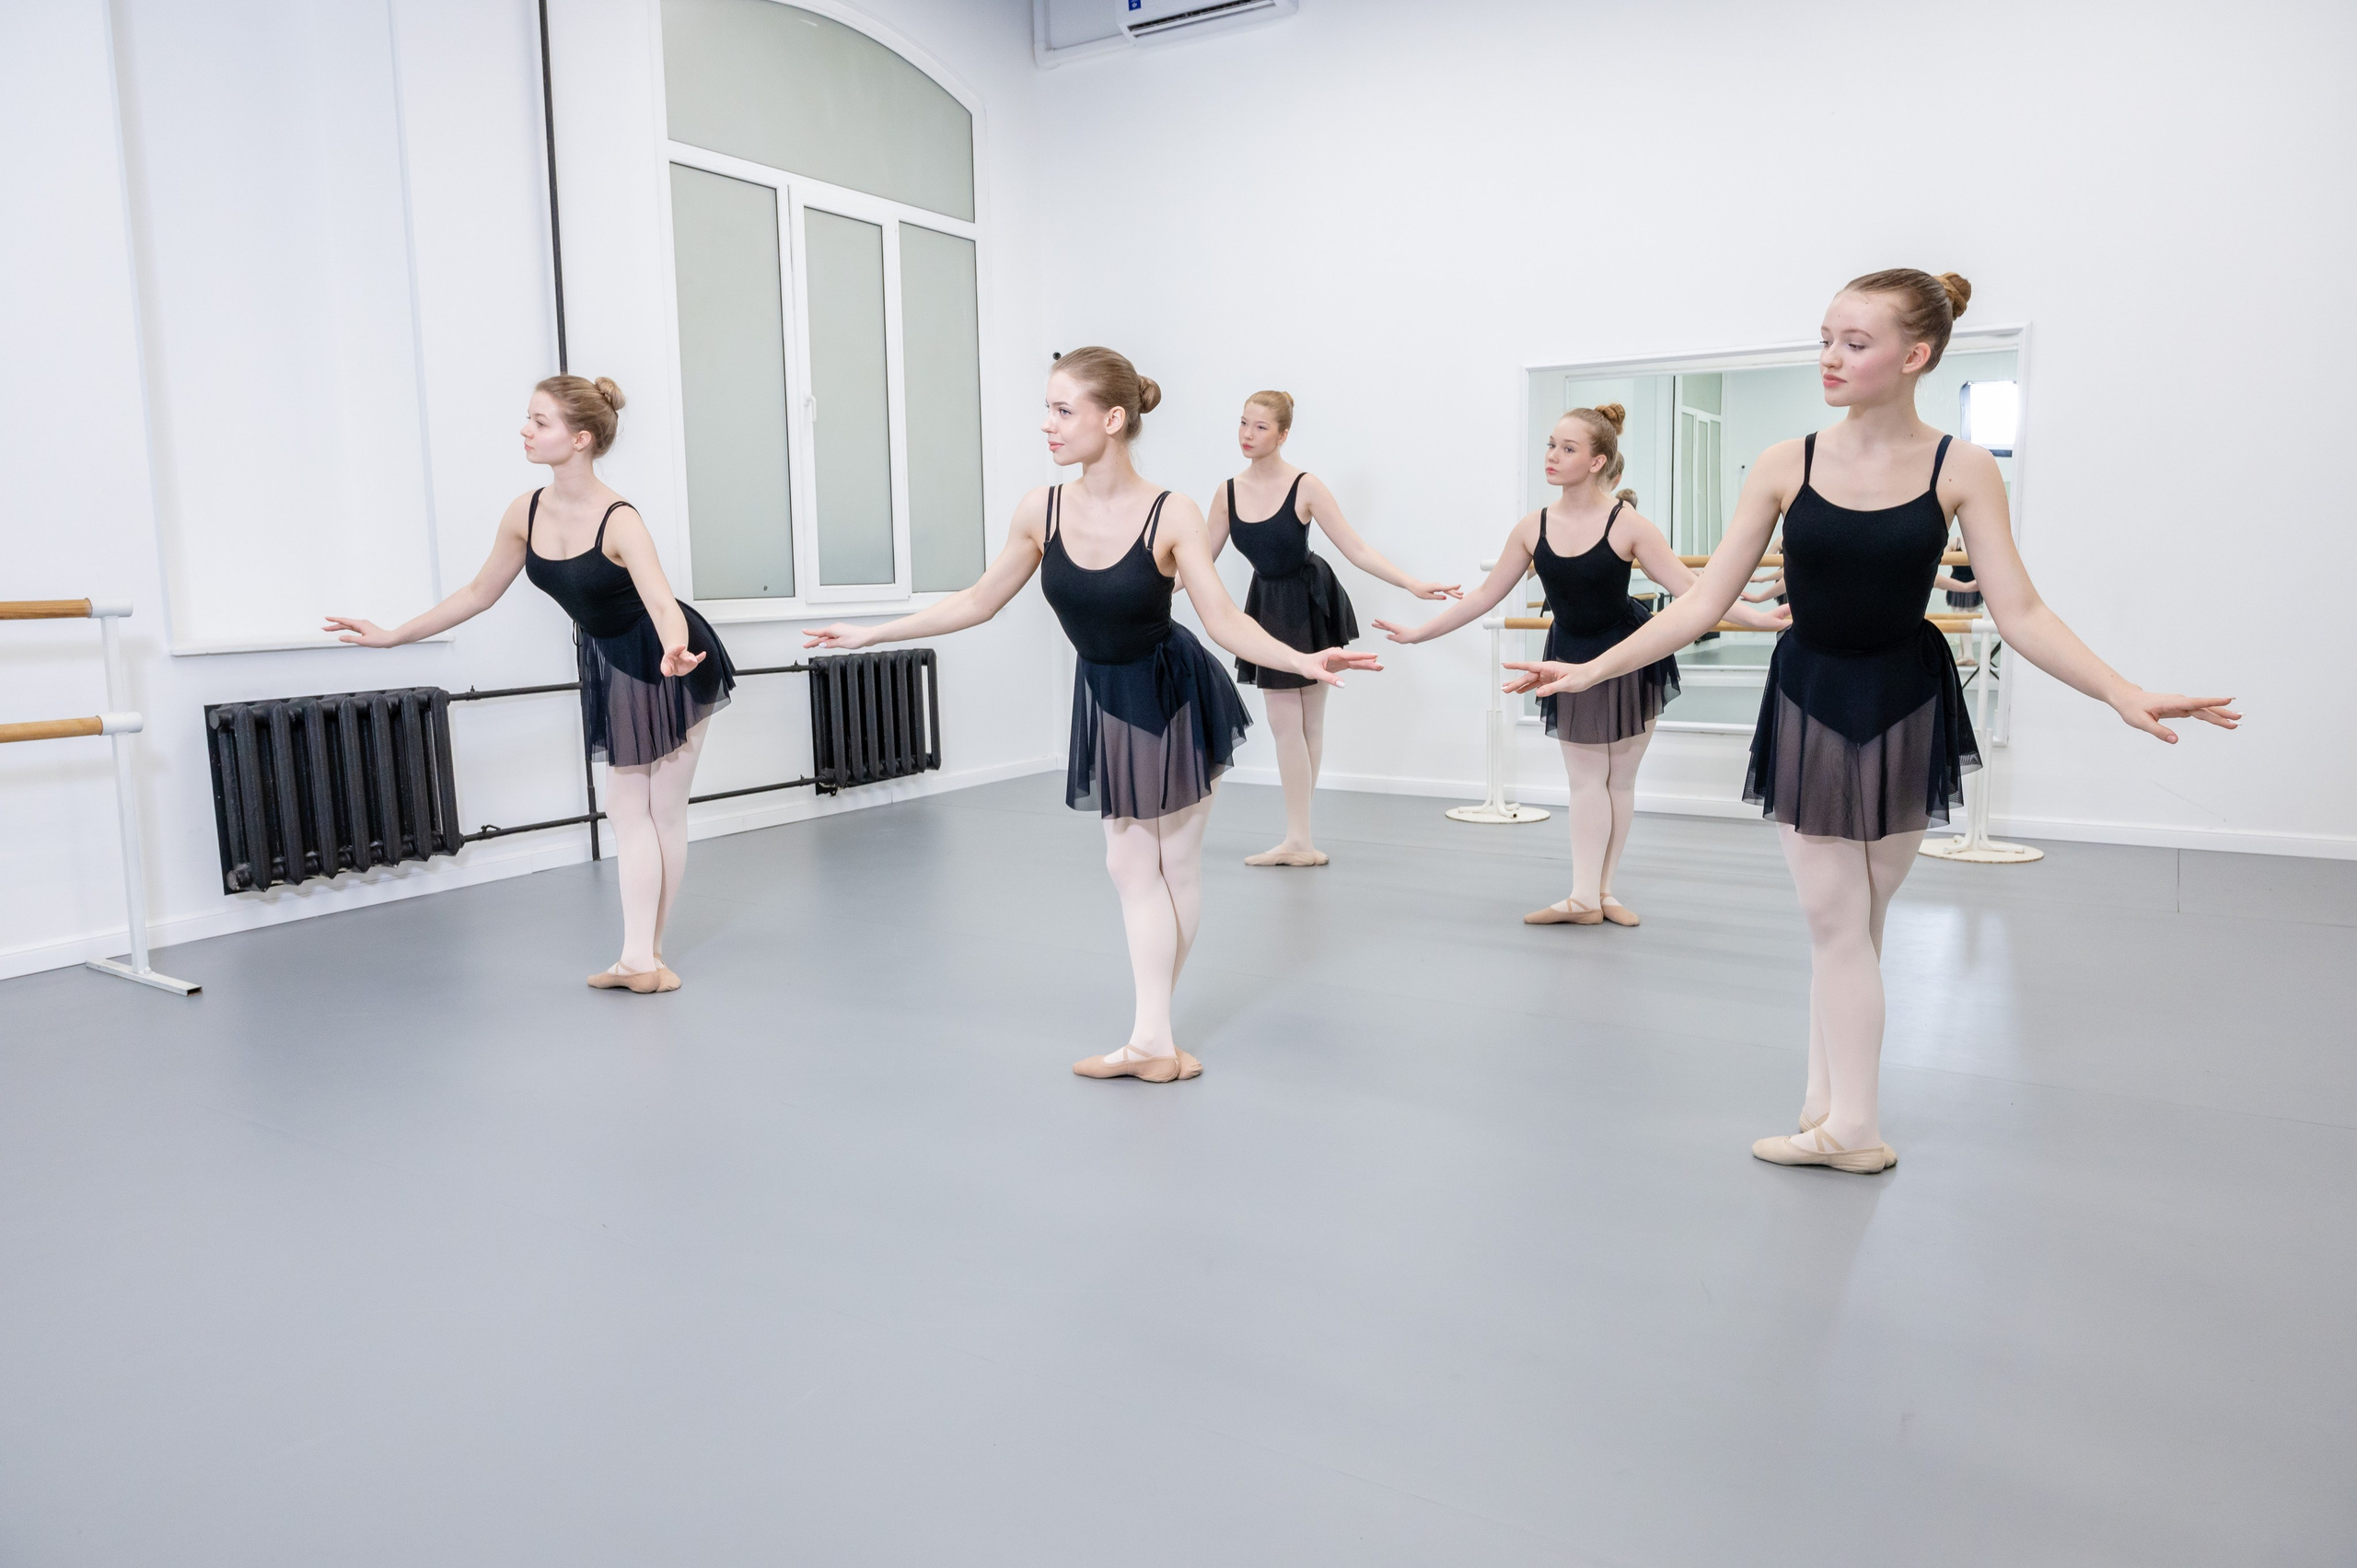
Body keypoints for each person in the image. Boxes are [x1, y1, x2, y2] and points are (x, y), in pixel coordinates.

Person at [1506, 271, 2237, 1172]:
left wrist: (2121, 689)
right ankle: (1832, 1110)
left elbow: (2022, 611)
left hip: (1906, 695)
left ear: (1914, 355)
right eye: (1825, 337)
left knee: (1856, 919)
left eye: (1854, 342)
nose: (1829, 356)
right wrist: (1589, 665)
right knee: (1835, 918)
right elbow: (1696, 607)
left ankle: (1847, 1123)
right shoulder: (1786, 462)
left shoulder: (1959, 466)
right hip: (1811, 693)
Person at [805, 348, 1377, 1083]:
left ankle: (1151, 1038)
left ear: (1112, 419)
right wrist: (872, 632)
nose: (1047, 424)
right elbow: (979, 600)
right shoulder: (1040, 511)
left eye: (1062, 409)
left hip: (1171, 690)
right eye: (1046, 408)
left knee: (1164, 863)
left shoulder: (1170, 511)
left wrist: (1302, 660)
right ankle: (1154, 1037)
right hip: (1105, 694)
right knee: (1135, 864)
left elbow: (1223, 618)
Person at [326, 376, 734, 993]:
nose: (525, 430)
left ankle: (644, 955)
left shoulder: (621, 519)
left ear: (580, 438)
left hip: (669, 657)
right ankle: (638, 959)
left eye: (539, 422)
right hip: (615, 661)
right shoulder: (526, 511)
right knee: (628, 809)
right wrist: (393, 634)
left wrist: (676, 649)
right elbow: (477, 593)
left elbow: (660, 600)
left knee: (658, 811)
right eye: (529, 418)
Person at [1376, 406, 1784, 924]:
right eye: (1550, 444)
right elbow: (1484, 597)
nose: (1552, 456)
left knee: (1619, 782)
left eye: (1567, 449)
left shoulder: (1628, 525)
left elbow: (1697, 591)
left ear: (1597, 461)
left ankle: (1602, 893)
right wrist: (1418, 633)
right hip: (1568, 656)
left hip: (1631, 654)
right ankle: (1583, 895)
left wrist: (1761, 620)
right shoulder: (1532, 528)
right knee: (1586, 781)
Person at [1208, 391, 1459, 866]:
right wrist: (1154, 584)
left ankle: (1299, 838)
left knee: (1307, 722)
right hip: (1267, 604)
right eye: (1243, 423)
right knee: (1286, 722)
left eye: (1260, 427)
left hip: (1309, 598)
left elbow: (1356, 549)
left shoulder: (1306, 486)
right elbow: (1201, 559)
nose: (1247, 434)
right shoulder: (1227, 492)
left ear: (1283, 435)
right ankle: (1298, 839)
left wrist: (1411, 583)